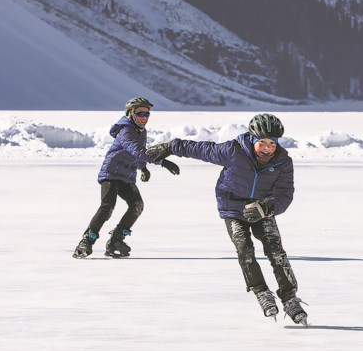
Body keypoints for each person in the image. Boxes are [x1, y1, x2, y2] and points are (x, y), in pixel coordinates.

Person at [145, 113, 308, 325]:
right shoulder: (233, 151)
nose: (267, 148)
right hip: (233, 207)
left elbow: (285, 194)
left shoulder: (283, 162)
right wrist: (169, 147)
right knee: (244, 248)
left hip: (262, 209)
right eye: (262, 143)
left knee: (275, 250)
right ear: (252, 139)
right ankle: (261, 291)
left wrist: (267, 206)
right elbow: (200, 149)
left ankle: (289, 297)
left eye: (272, 143)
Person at [72, 97, 180, 259]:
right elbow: (136, 151)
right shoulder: (126, 131)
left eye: (147, 114)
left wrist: (143, 167)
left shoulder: (141, 131)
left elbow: (139, 153)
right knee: (107, 206)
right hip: (111, 173)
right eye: (141, 113)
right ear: (131, 113)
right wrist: (162, 161)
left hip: (127, 175)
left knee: (137, 205)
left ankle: (116, 240)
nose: (144, 117)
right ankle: (87, 241)